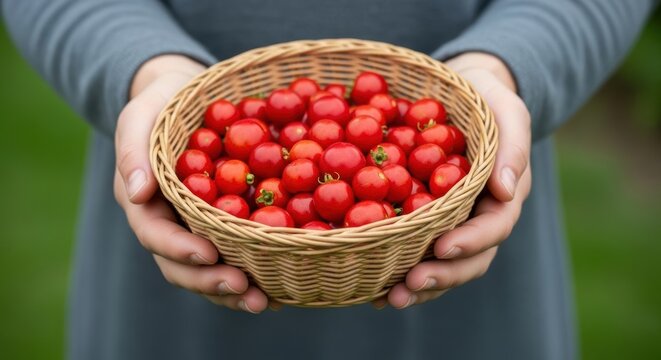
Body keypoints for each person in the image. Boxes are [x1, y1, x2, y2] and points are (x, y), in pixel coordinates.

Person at [3, 1, 656, 359]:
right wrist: (142, 71)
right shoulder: (241, 162)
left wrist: (508, 67)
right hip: (172, 311)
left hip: (471, 316)